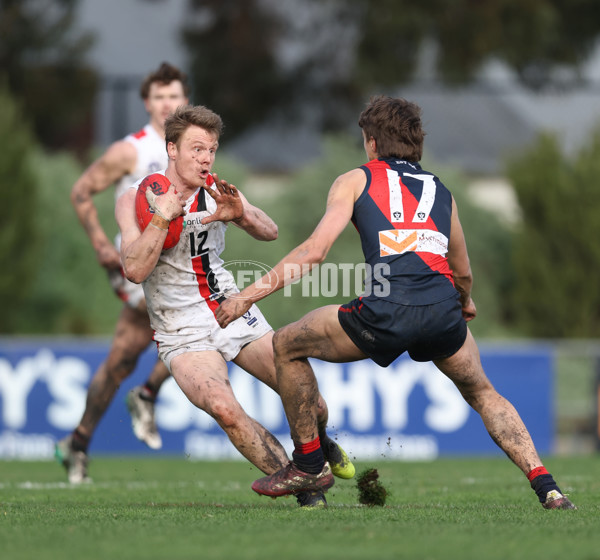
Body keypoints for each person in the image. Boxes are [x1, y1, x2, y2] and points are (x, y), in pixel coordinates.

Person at [215, 95, 577, 510]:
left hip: (387, 310)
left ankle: (311, 464)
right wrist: (464, 302)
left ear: (371, 142)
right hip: (443, 312)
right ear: (416, 144)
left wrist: (245, 297)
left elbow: (314, 252)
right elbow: (462, 270)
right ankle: (547, 487)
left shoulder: (355, 179)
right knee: (483, 392)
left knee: (286, 344)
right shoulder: (441, 190)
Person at [114, 104, 354, 508]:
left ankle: (322, 441)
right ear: (171, 149)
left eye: (211, 149)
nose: (205, 158)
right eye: (195, 149)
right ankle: (309, 492)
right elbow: (135, 269)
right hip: (180, 329)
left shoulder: (218, 190)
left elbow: (270, 231)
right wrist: (162, 219)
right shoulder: (134, 198)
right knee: (225, 409)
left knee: (312, 403)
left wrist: (239, 214)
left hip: (231, 310)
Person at [55, 62, 189, 483]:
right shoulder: (130, 151)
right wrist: (98, 241)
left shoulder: (192, 148)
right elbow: (81, 191)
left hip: (178, 265)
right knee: (205, 325)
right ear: (147, 103)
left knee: (122, 359)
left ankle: (78, 441)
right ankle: (146, 394)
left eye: (175, 96)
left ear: (185, 101)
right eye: (160, 97)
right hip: (137, 266)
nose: (168, 103)